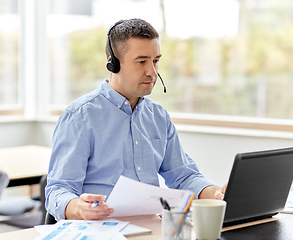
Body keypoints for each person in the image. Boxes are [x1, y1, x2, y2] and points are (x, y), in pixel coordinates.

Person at [45, 18, 226, 221]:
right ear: (113, 64)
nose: (152, 72)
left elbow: (184, 176)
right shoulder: (80, 117)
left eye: (155, 61)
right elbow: (57, 190)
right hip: (100, 229)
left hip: (152, 228)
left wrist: (217, 193)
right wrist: (78, 207)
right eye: (141, 62)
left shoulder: (158, 117)